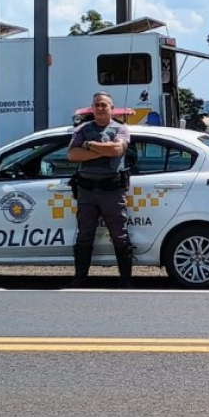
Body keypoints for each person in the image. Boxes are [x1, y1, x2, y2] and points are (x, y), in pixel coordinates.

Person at [66, 91, 133, 288]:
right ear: (92, 108)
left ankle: (126, 280)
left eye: (104, 105)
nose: (101, 108)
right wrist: (101, 151)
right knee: (84, 234)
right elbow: (72, 155)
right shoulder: (82, 129)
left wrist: (89, 146)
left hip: (112, 190)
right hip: (87, 190)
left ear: (112, 109)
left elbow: (116, 150)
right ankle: (80, 278)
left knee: (119, 235)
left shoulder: (121, 129)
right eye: (97, 104)